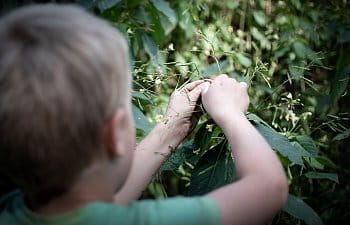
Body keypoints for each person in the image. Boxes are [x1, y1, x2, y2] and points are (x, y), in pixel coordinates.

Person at [0, 4, 288, 225]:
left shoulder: (12, 210)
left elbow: (104, 203)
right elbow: (268, 188)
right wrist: (229, 113)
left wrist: (170, 129)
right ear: (114, 133)